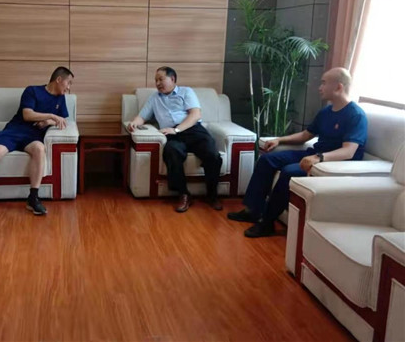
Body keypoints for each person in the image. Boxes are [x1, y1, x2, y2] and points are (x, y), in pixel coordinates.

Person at [227, 67, 368, 238]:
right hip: (316, 154)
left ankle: (267, 222)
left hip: (334, 164)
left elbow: (348, 151)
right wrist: (280, 140)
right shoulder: (326, 111)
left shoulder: (355, 115)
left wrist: (319, 158)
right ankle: (253, 210)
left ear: (338, 87)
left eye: (324, 83)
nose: (320, 87)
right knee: (267, 160)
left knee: (289, 171)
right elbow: (305, 135)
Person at [0, 67, 73, 216]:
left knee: (39, 149)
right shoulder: (32, 91)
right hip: (14, 131)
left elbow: (62, 120)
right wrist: (51, 116)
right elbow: (27, 114)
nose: (68, 87)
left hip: (33, 136)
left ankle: (33, 198)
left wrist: (48, 122)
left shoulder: (60, 98)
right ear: (58, 80)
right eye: (68, 83)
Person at [127, 66, 223, 213]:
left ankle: (212, 195)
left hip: (193, 130)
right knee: (171, 151)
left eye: (161, 79)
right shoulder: (154, 98)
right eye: (156, 80)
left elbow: (195, 114)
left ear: (172, 79)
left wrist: (177, 129)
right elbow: (142, 116)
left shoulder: (186, 92)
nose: (157, 83)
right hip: (172, 135)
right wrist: (134, 122)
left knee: (213, 155)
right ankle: (184, 194)